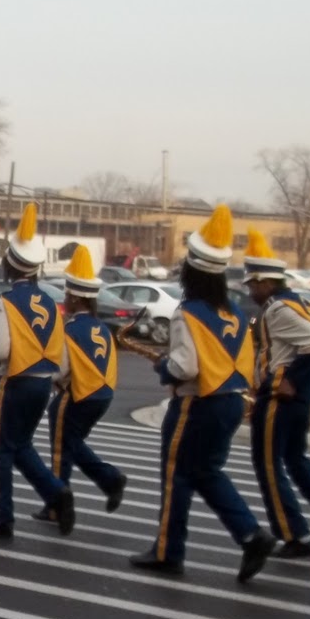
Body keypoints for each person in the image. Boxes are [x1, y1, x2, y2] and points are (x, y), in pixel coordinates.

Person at [130, 206, 276, 582]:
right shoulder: (234, 314)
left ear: (192, 272)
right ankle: (250, 534)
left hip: (196, 403)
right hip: (229, 402)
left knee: (176, 475)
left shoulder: (187, 313)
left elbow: (186, 366)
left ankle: (168, 551)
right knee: (207, 472)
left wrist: (164, 367)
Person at [244, 228, 310, 558]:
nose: (251, 290)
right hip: (300, 398)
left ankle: (294, 534)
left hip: (280, 398)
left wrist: (289, 377)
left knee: (268, 464)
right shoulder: (301, 302)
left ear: (265, 282)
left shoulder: (276, 309)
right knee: (295, 459)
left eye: (253, 284)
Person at [0, 204, 73, 539]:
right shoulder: (49, 301)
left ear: (10, 263)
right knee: (22, 446)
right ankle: (55, 492)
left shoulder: (6, 301)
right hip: (43, 383)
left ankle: (1, 517)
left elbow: (0, 349)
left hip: (13, 382)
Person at [34, 244, 126, 521]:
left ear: (75, 297)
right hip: (103, 395)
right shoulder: (102, 329)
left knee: (62, 448)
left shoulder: (71, 330)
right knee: (73, 444)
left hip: (76, 395)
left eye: (67, 292)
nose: (65, 296)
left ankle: (56, 503)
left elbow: (59, 370)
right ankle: (109, 479)